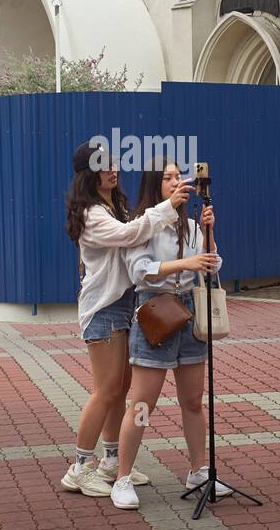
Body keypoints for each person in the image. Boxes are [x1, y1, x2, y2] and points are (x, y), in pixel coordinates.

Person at [61, 142, 193, 496]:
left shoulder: (115, 205)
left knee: (119, 390)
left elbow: (136, 231)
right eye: (104, 166)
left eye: (114, 163)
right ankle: (78, 468)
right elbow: (129, 235)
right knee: (105, 391)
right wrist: (168, 206)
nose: (113, 170)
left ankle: (110, 462)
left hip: (125, 306)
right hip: (103, 310)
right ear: (89, 173)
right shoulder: (92, 214)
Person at [110, 159, 229, 510]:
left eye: (179, 176)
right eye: (168, 178)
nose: (177, 182)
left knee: (193, 400)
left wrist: (208, 233)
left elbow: (211, 265)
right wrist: (185, 265)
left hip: (190, 314)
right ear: (154, 186)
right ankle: (122, 478)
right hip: (156, 313)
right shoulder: (142, 225)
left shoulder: (190, 225)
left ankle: (198, 471)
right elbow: (140, 272)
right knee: (143, 402)